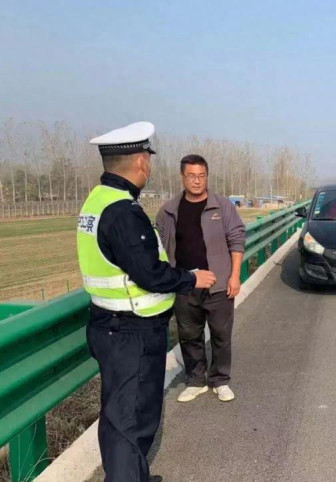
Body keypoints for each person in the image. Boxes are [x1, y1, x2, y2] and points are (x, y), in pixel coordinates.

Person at [77, 121, 216, 482]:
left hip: (110, 324)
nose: (149, 166)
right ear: (141, 161)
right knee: (131, 420)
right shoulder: (123, 211)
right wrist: (191, 278)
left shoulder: (96, 200)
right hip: (131, 332)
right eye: (148, 158)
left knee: (121, 417)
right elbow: (150, 273)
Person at [156, 154, 246, 403]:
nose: (197, 181)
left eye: (201, 176)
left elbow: (237, 240)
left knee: (221, 335)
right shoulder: (168, 211)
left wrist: (234, 276)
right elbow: (159, 246)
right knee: (189, 335)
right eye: (191, 176)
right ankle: (196, 381)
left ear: (207, 176)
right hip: (185, 284)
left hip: (219, 285)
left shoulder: (222, 206)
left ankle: (220, 380)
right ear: (182, 177)